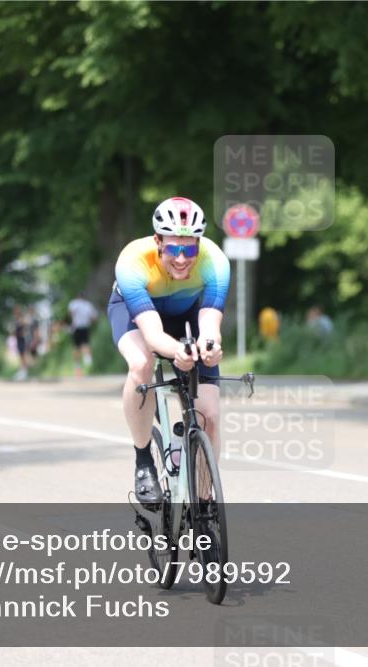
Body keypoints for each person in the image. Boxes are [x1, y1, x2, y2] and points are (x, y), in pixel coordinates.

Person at [108, 196, 229, 503]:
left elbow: (211, 326)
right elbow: (152, 334)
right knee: (141, 364)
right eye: (173, 248)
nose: (181, 258)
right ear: (157, 241)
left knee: (211, 414)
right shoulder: (132, 261)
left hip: (185, 313)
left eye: (189, 249)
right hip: (138, 315)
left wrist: (210, 348)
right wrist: (179, 351)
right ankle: (143, 461)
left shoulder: (215, 262)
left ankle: (204, 504)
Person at [67, 292, 98, 376]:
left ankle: (77, 366)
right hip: (85, 327)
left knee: (76, 347)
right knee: (85, 344)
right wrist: (90, 322)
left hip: (76, 327)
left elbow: (70, 314)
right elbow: (94, 317)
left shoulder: (73, 304)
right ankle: (88, 360)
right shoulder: (88, 305)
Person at [12, 305, 30, 381]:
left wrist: (22, 334)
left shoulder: (22, 320)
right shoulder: (17, 321)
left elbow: (25, 330)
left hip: (22, 340)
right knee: (21, 356)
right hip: (18, 340)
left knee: (23, 356)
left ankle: (24, 373)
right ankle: (22, 371)